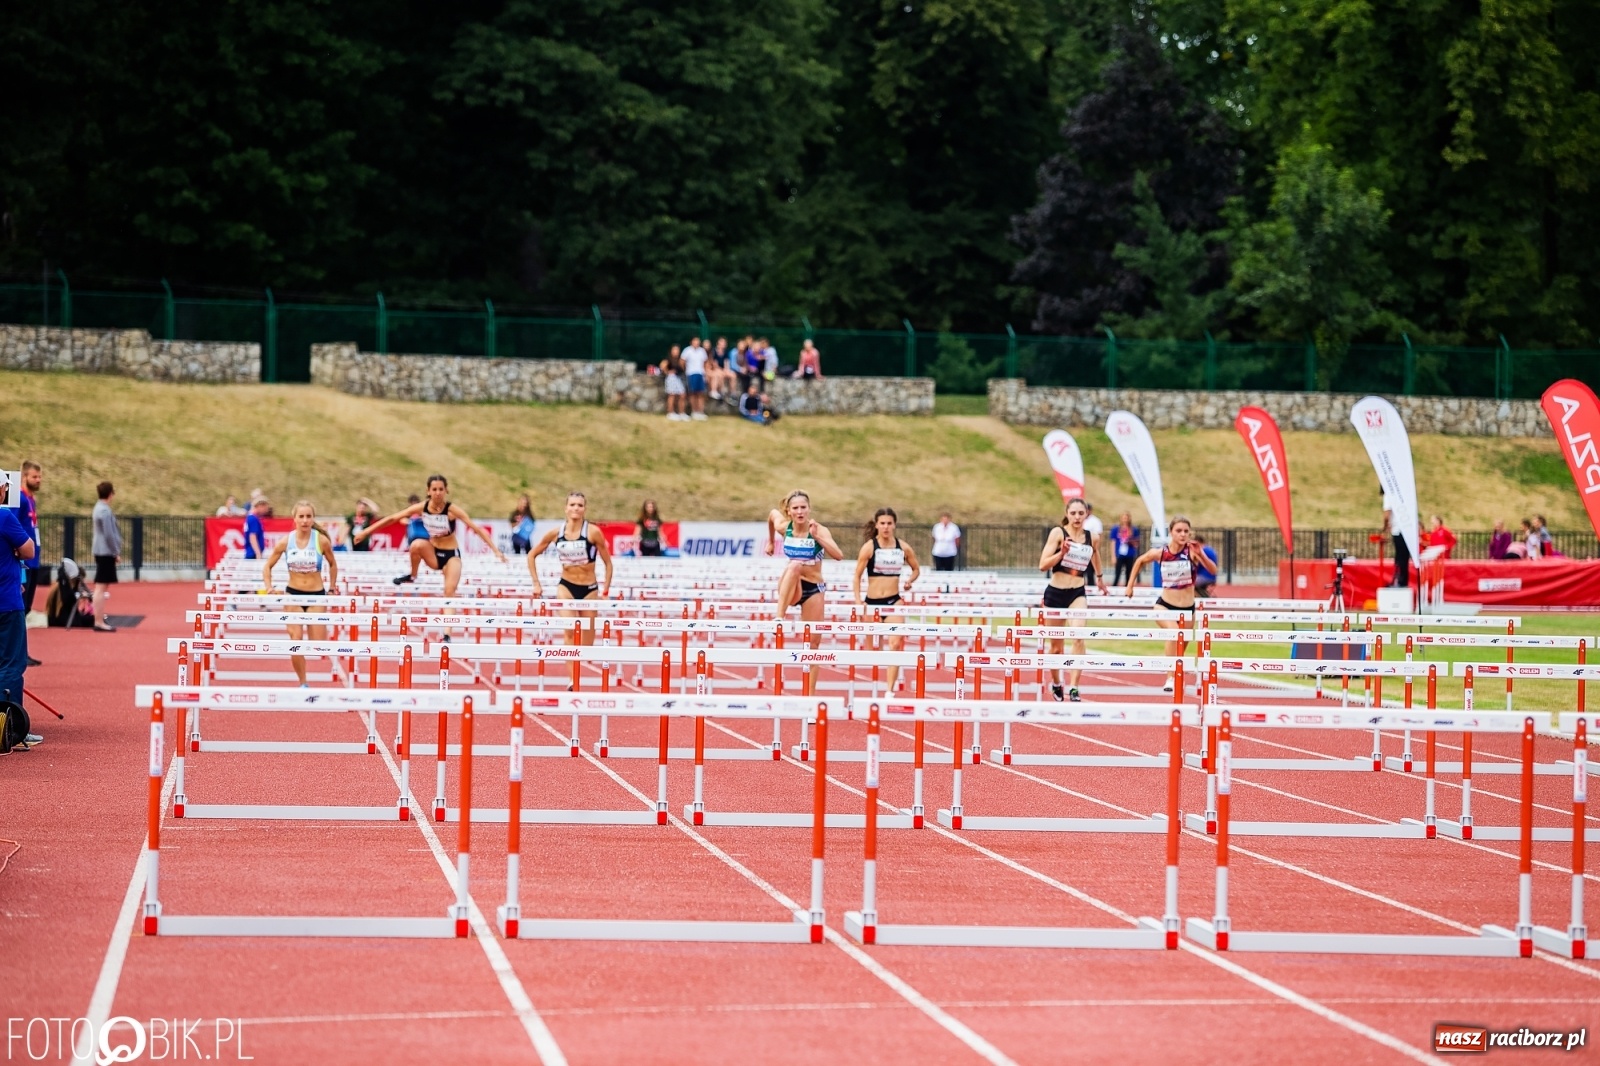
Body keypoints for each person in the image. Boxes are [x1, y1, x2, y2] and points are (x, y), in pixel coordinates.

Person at [356, 475, 505, 594]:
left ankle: (447, 632)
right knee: (416, 544)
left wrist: (496, 551)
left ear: (446, 490)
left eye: (441, 489)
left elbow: (477, 529)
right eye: (434, 489)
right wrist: (366, 531)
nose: (438, 493)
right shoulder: (422, 508)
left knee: (449, 591)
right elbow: (393, 518)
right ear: (428, 491)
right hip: (433, 554)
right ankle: (413, 575)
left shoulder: (452, 510)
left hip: (451, 554)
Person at [1124, 516, 1215, 693]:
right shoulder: (1161, 553)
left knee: (1180, 648)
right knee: (1174, 635)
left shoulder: (1193, 552)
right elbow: (1139, 561)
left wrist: (1202, 554)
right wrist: (1130, 586)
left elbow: (1213, 571)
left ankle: (1176, 674)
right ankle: (1170, 678)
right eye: (1178, 531)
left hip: (1188, 609)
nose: (1183, 535)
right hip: (1165, 605)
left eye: (1186, 531)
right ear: (1171, 533)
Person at [765, 491, 844, 689]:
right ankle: (779, 618)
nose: (800, 511)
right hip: (792, 586)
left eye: (803, 507)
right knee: (794, 565)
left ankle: (808, 699)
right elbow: (772, 515)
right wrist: (770, 541)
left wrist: (818, 538)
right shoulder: (785, 527)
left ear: (809, 509)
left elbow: (838, 555)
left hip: (814, 589)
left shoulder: (819, 530)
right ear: (789, 511)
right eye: (795, 508)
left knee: (813, 645)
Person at [259, 501, 339, 686]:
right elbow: (267, 566)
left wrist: (332, 587)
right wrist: (269, 587)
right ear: (294, 519)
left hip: (316, 596)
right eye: (301, 516)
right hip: (293, 595)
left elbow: (333, 564)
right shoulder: (286, 541)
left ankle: (309, 665)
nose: (305, 520)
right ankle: (303, 682)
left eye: (308, 516)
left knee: (318, 645)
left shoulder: (321, 540)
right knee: (295, 641)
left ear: (313, 519)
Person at [528, 492, 613, 647]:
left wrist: (605, 591)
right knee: (569, 633)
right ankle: (572, 672)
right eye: (572, 505)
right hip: (566, 587)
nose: (576, 508)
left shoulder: (593, 532)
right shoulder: (555, 533)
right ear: (565, 508)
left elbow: (608, 563)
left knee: (587, 644)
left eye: (580, 505)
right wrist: (536, 583)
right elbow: (531, 555)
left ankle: (581, 666)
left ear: (584, 509)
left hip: (589, 589)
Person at [852, 507, 922, 693]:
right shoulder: (869, 547)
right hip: (872, 603)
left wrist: (909, 581)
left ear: (894, 525)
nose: (885, 527)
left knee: (896, 645)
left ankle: (889, 691)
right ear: (876, 525)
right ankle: (874, 681)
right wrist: (859, 601)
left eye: (889, 523)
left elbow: (916, 569)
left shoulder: (903, 547)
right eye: (882, 523)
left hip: (893, 602)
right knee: (872, 652)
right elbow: (857, 576)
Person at [1038, 498, 1100, 701]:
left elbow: (1095, 554)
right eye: (1073, 513)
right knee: (1056, 647)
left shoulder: (1093, 537)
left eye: (1081, 513)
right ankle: (1056, 682)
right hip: (1055, 593)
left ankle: (1074, 686)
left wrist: (1099, 578)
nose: (1077, 517)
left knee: (1078, 636)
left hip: (1077, 593)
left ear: (1086, 515)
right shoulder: (1058, 533)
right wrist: (1061, 554)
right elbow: (1043, 565)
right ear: (1067, 513)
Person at [0, 495, 38, 745]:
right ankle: (11, 730)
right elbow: (29, 549)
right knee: (11, 664)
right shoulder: (4, 516)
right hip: (6, 602)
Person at [90, 480, 120, 633]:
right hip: (105, 551)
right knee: (101, 587)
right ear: (110, 494)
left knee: (101, 586)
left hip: (101, 550)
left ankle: (99, 619)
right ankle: (99, 620)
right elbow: (109, 533)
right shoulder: (105, 510)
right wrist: (115, 551)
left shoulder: (98, 508)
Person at [20, 462, 42, 662]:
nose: (38, 480)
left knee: (26, 609)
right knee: (20, 608)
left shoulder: (30, 499)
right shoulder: (19, 499)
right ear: (24, 476)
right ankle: (18, 654)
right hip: (25, 563)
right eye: (34, 476)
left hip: (34, 561)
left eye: (39, 477)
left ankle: (22, 652)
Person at [1382, 487, 1409, 587]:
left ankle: (1400, 580)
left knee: (1400, 557)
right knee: (1403, 557)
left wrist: (1385, 527)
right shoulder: (1400, 493)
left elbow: (1387, 514)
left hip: (1398, 530)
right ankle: (1402, 580)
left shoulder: (1388, 495)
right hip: (1405, 528)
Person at [683, 336, 710, 420]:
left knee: (700, 393)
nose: (697, 342)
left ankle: (700, 411)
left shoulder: (702, 351)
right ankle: (694, 411)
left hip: (700, 373)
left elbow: (705, 362)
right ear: (691, 342)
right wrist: (685, 370)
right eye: (695, 341)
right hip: (691, 373)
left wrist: (706, 372)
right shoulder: (687, 350)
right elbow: (682, 361)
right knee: (693, 393)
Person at [1111, 512, 1141, 586]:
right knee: (1117, 573)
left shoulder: (1134, 529)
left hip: (1129, 554)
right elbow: (1113, 542)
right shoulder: (1116, 529)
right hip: (1120, 554)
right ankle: (1114, 589)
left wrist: (1130, 541)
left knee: (1129, 573)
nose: (1125, 520)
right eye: (1123, 518)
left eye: (1126, 518)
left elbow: (1137, 542)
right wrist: (1113, 556)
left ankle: (1127, 589)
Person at [661, 345, 687, 421]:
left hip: (678, 378)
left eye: (677, 350)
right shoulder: (668, 360)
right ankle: (670, 412)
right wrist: (667, 372)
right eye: (674, 350)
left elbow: (683, 368)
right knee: (672, 395)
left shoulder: (680, 360)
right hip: (671, 378)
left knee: (682, 395)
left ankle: (682, 413)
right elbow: (662, 367)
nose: (676, 352)